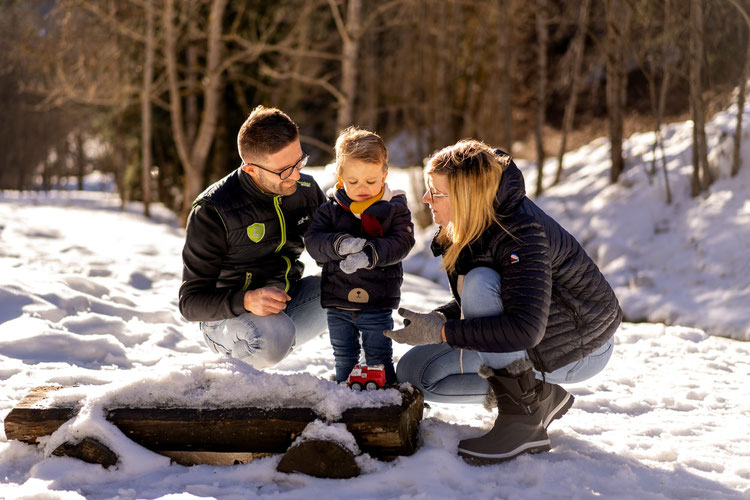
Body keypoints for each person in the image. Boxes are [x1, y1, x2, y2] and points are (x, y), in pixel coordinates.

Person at [385, 139, 622, 464]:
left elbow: (523, 328)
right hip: (534, 333)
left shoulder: (521, 233)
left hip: (576, 347)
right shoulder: (469, 224)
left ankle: (523, 423)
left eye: (435, 192)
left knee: (481, 281)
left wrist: (441, 334)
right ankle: (540, 396)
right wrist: (440, 320)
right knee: (416, 372)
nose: (426, 199)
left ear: (466, 196)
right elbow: (495, 301)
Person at [179, 105, 328, 370]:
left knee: (351, 287)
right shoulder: (213, 210)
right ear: (250, 170)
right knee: (272, 337)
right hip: (227, 319)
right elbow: (190, 304)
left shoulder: (305, 189)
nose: (296, 175)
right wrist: (247, 300)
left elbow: (329, 252)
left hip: (286, 304)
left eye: (299, 161)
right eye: (284, 170)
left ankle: (362, 375)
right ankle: (239, 385)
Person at [305, 127, 415, 385]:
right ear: (340, 178)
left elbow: (401, 242)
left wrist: (369, 255)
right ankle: (346, 396)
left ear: (384, 174)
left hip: (377, 301)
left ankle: (385, 397)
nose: (362, 188)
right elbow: (313, 241)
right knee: (344, 356)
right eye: (353, 182)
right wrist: (338, 244)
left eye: (370, 181)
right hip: (338, 300)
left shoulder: (394, 208)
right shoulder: (331, 209)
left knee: (378, 355)